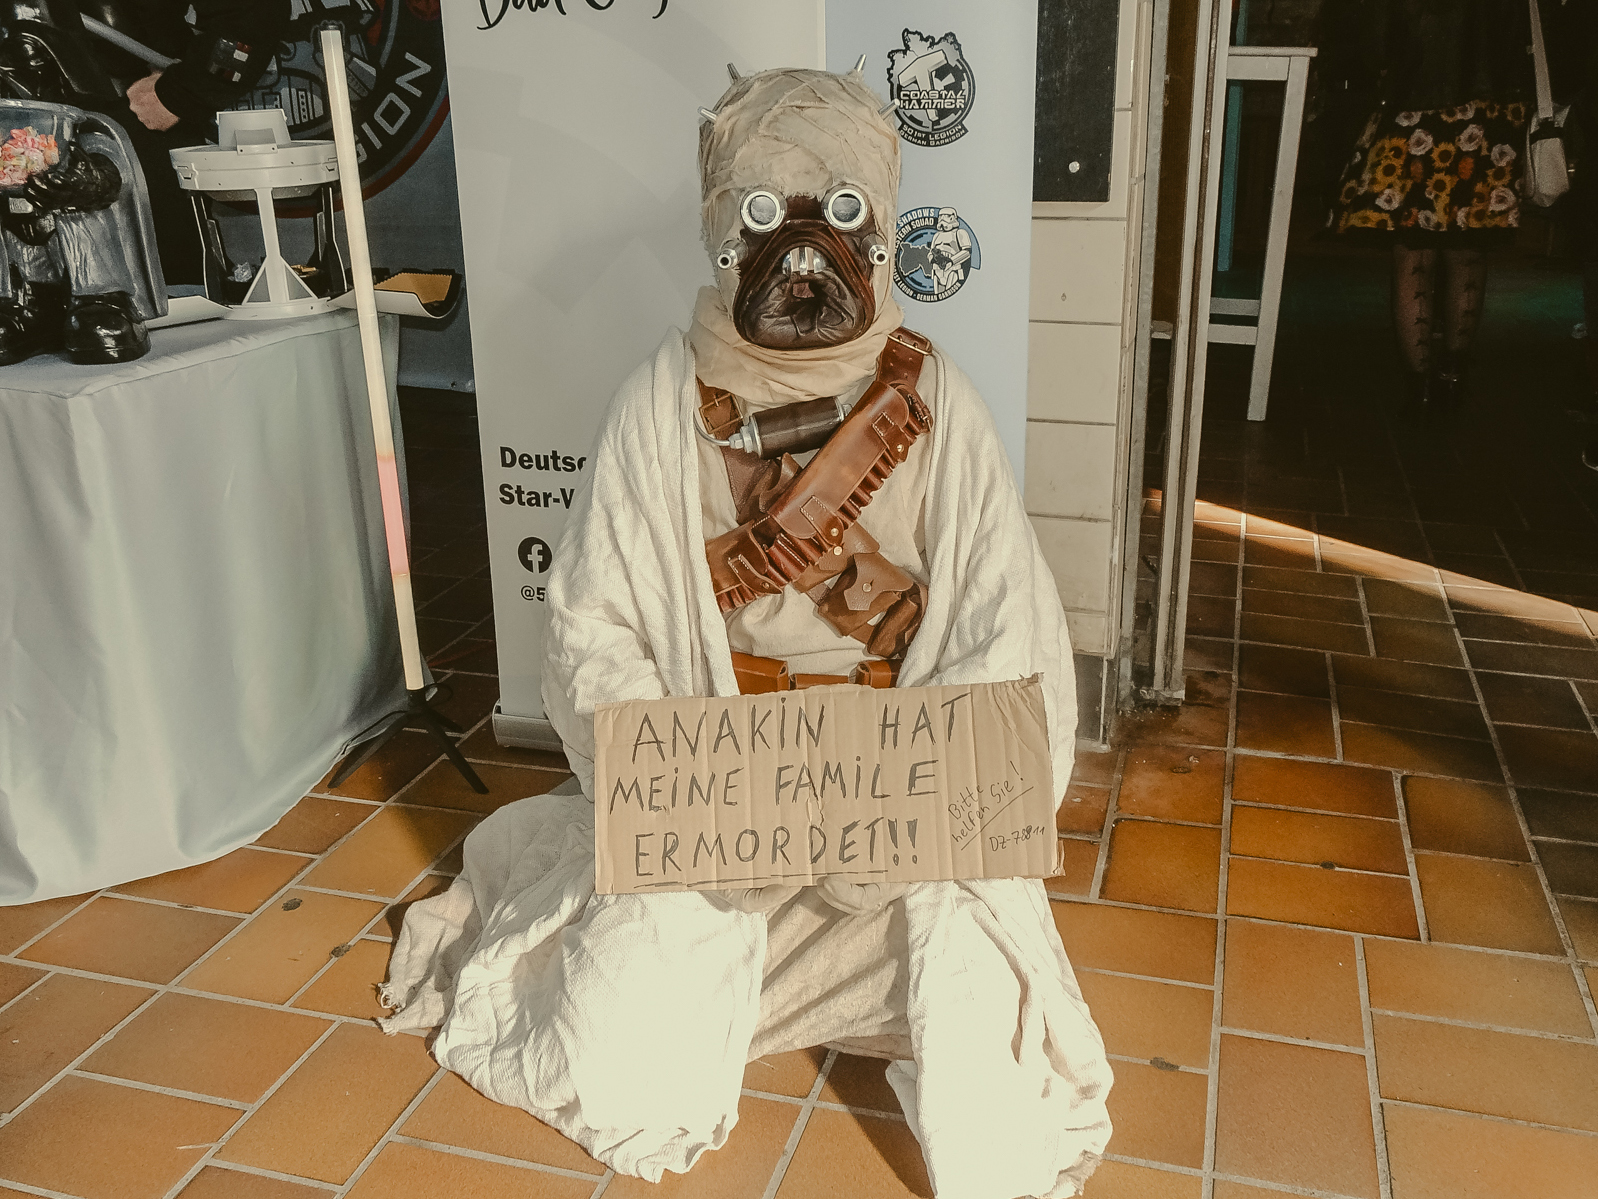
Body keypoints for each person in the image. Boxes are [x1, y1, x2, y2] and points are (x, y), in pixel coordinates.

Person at [379, 66, 1114, 1199]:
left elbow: (1003, 634)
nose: (804, 252)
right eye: (768, 217)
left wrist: (898, 808)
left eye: (840, 214)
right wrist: (700, 793)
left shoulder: (940, 403)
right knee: (617, 1050)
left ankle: (837, 978)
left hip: (891, 794)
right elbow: (593, 631)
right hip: (721, 794)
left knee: (978, 998)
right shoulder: (655, 404)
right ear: (723, 231)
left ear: (880, 230)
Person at [1325, 0, 1536, 416]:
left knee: (1413, 254)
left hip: (1414, 110)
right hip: (1488, 114)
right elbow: (1517, 37)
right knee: (1469, 250)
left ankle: (1420, 388)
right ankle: (1453, 380)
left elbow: (1375, 49)